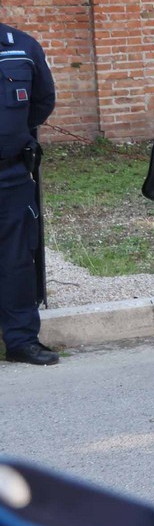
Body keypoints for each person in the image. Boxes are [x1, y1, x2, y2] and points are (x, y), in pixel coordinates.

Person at [0, 20, 56, 365]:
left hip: (10, 174)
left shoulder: (23, 47)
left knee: (17, 259)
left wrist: (14, 135)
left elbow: (42, 101)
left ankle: (21, 340)